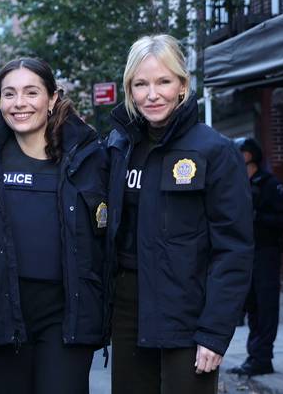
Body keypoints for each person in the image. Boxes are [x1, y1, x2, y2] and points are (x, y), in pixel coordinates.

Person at [106, 34, 253, 394]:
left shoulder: (215, 151)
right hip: (127, 311)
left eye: (163, 82)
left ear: (183, 85)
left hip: (188, 313)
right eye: (141, 84)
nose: (152, 94)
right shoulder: (118, 147)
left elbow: (233, 250)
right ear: (129, 89)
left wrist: (215, 332)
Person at [0, 57, 110, 394]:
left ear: (52, 98)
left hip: (67, 314)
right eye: (9, 94)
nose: (20, 103)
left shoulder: (90, 159)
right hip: (3, 312)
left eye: (31, 92)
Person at [227, 138, 283, 376]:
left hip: (266, 253)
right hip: (246, 254)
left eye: (239, 153)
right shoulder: (238, 183)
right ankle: (254, 355)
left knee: (265, 306)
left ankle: (263, 357)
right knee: (252, 306)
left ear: (249, 156)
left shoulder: (269, 184)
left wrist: (260, 218)